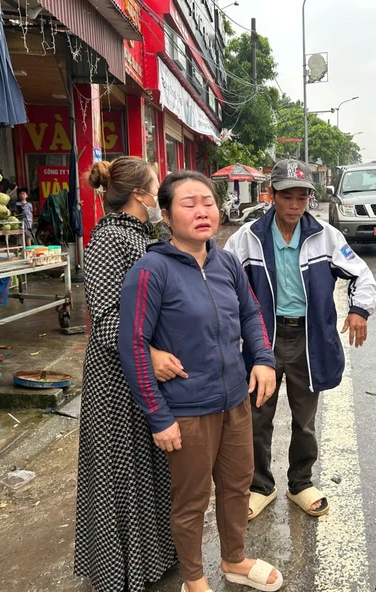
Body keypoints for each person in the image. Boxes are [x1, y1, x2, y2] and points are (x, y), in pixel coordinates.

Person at [119, 170, 283, 592]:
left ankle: (235, 559)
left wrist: (262, 359)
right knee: (191, 501)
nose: (202, 211)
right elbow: (133, 344)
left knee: (237, 485)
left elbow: (250, 313)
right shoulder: (150, 270)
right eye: (188, 204)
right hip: (188, 409)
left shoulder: (226, 260)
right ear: (167, 215)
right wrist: (158, 416)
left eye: (208, 202)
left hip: (235, 401)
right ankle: (193, 579)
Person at [224, 158, 376, 520]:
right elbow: (221, 282)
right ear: (271, 195)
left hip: (308, 340)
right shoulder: (247, 237)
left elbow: (362, 275)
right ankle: (260, 485)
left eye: (302, 197)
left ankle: (301, 482)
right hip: (261, 341)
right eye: (287, 196)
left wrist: (359, 310)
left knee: (304, 419)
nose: (295, 205)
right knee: (258, 418)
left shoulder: (326, 236)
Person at [75, 157, 181, 591]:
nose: (159, 194)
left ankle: (152, 560)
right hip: (116, 378)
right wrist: (150, 353)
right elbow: (105, 321)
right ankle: (120, 573)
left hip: (144, 371)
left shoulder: (144, 236)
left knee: (150, 466)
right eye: (156, 186)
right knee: (120, 471)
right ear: (140, 194)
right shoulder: (108, 241)